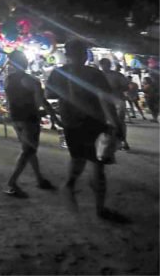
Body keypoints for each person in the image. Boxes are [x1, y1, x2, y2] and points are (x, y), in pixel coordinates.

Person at [46, 40, 126, 222]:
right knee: (97, 166)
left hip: (70, 122)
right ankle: (100, 208)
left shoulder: (58, 73)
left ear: (67, 54)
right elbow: (105, 101)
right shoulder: (94, 74)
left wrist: (67, 97)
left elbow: (49, 95)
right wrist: (116, 124)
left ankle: (69, 186)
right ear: (85, 54)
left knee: (78, 159)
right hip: (93, 123)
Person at [3, 51, 58, 198]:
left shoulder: (8, 80)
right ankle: (12, 183)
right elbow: (41, 102)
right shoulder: (31, 81)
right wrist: (52, 114)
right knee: (27, 151)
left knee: (29, 149)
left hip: (16, 118)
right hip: (29, 118)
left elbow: (8, 101)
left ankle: (39, 178)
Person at [99, 58, 130, 150]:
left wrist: (116, 89)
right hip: (103, 101)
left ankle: (123, 141)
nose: (105, 66)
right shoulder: (98, 75)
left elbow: (126, 87)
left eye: (106, 64)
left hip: (117, 101)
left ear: (109, 65)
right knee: (106, 122)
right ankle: (111, 142)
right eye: (103, 65)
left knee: (119, 121)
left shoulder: (117, 75)